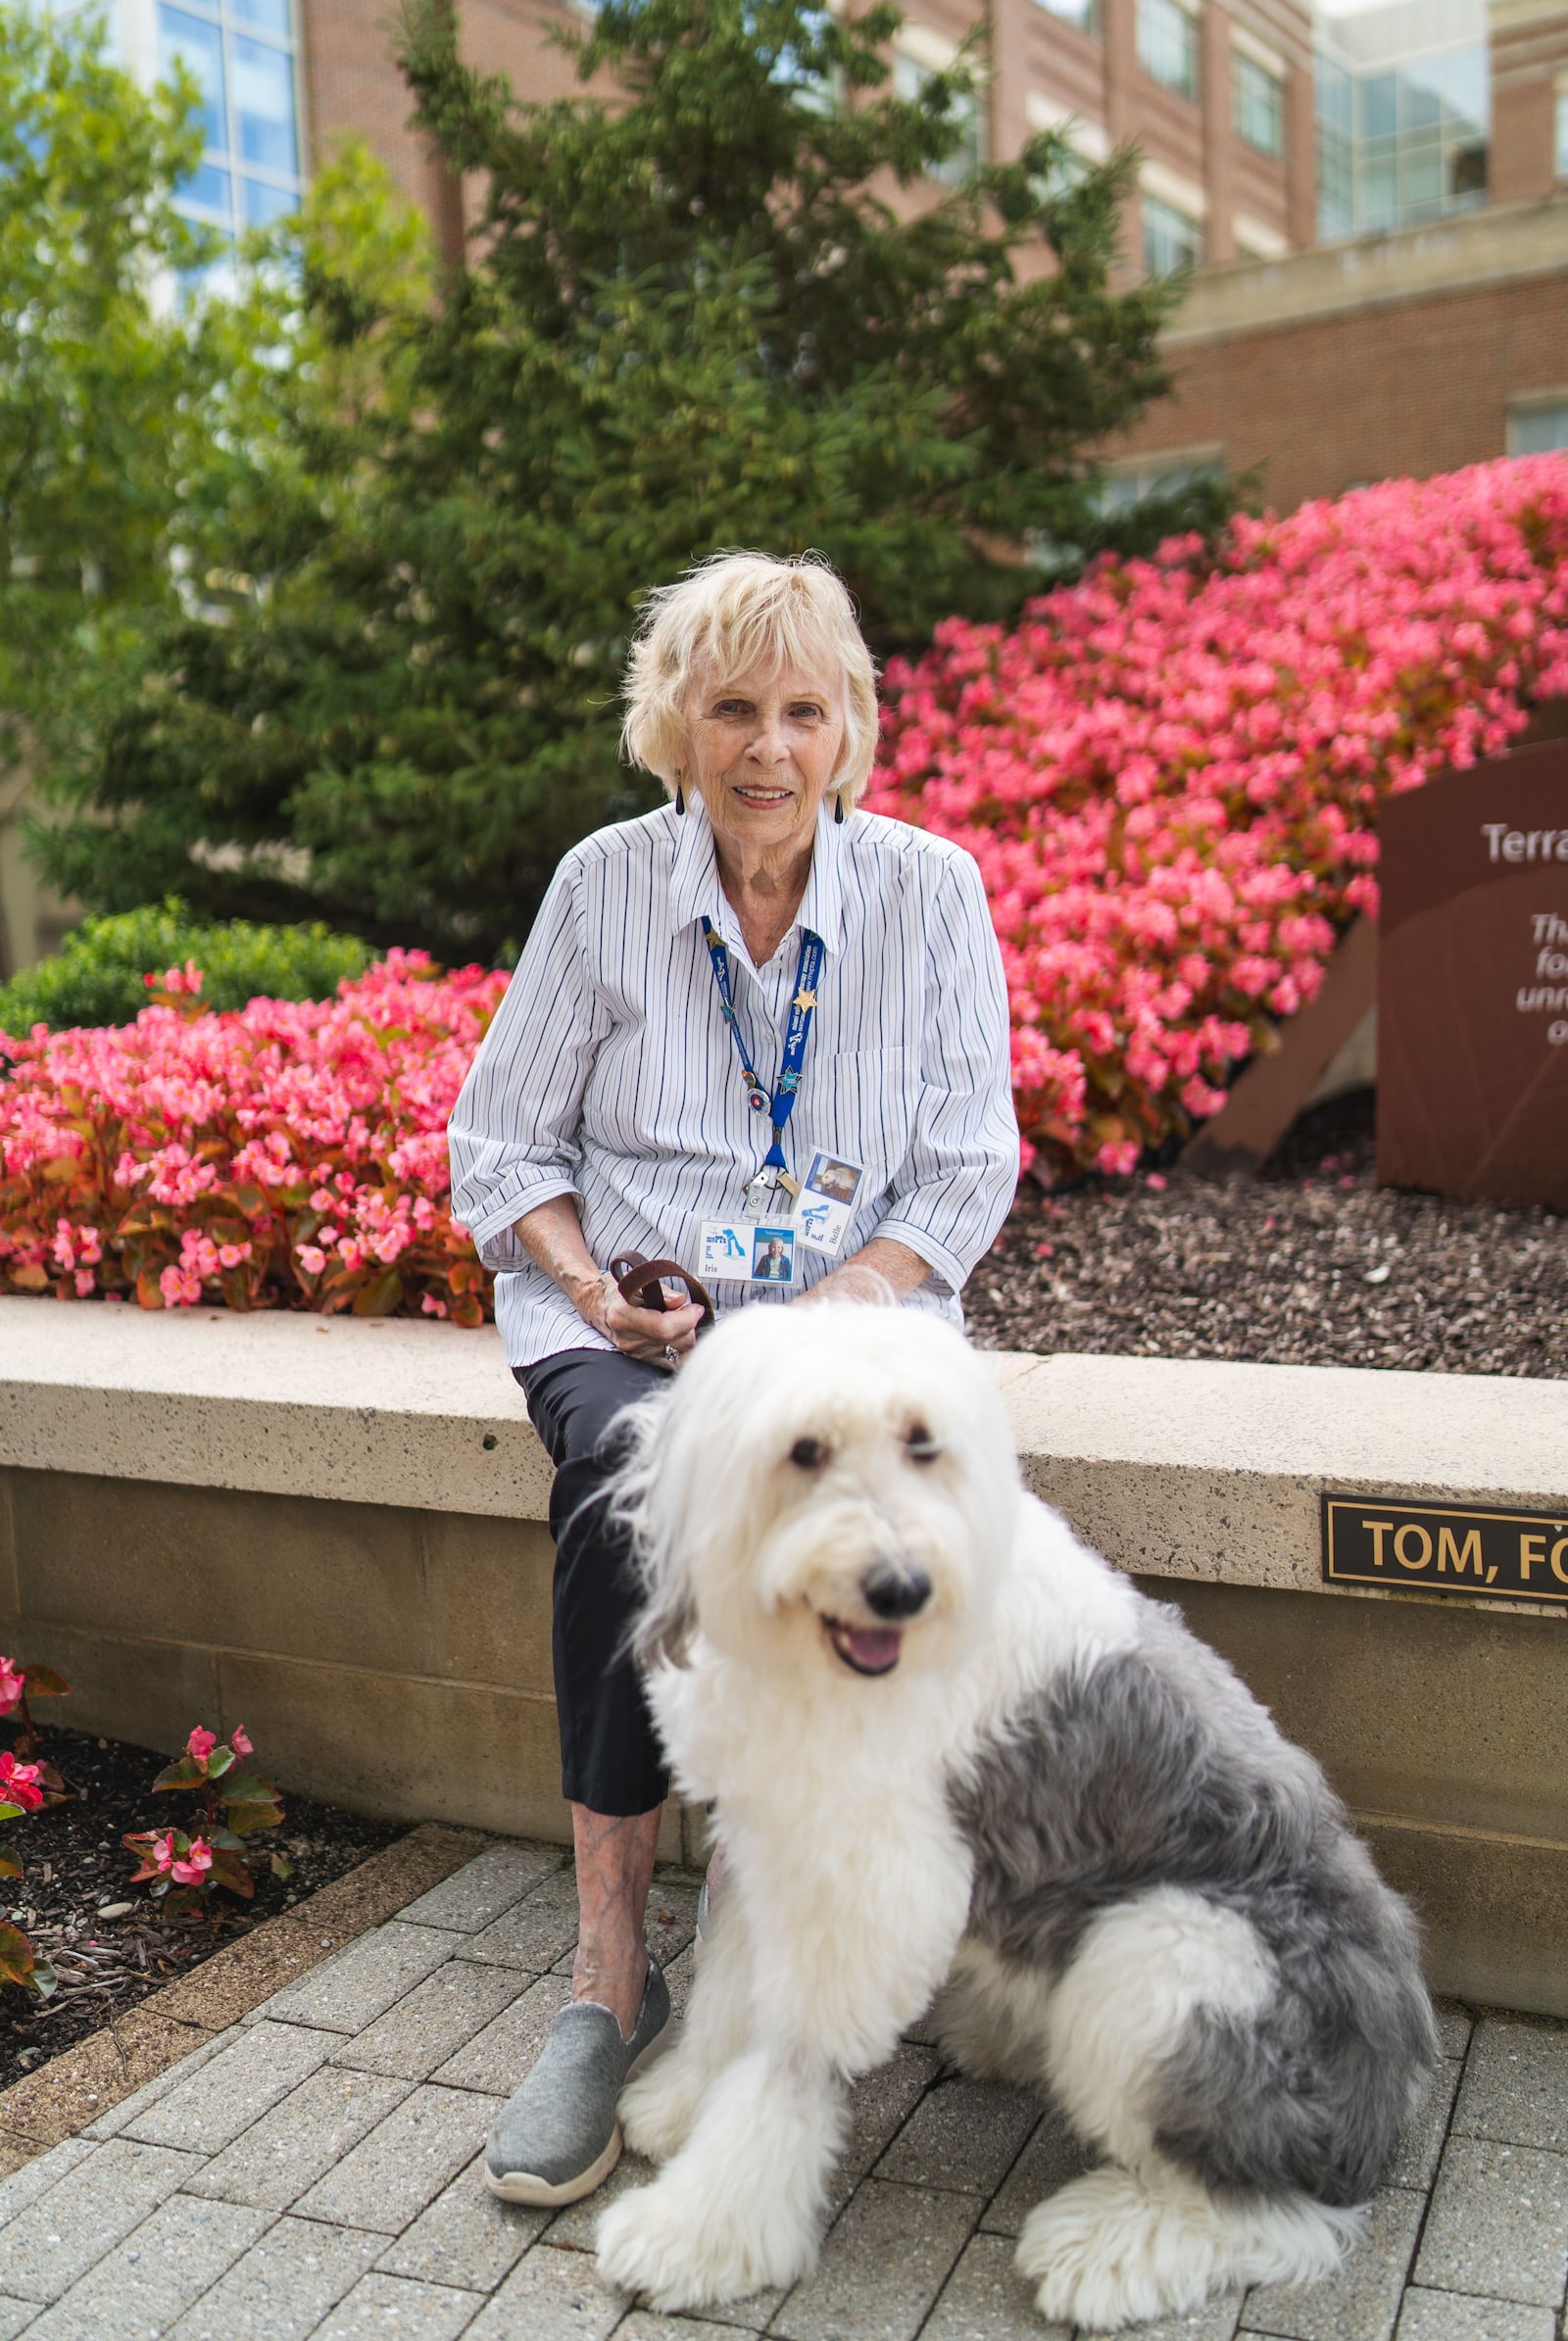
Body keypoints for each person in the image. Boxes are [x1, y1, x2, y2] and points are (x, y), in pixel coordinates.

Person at [447, 550, 1018, 2209]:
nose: (768, 746)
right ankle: (613, 1981)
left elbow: (969, 1167)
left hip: (855, 1326)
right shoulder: (604, 887)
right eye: (732, 708)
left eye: (801, 710)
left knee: (882, 1523)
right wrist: (582, 1282)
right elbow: (500, 1141)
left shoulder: (929, 895)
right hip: (634, 1331)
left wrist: (841, 1304)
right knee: (639, 1494)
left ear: (848, 733)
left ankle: (811, 1936)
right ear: (677, 727)